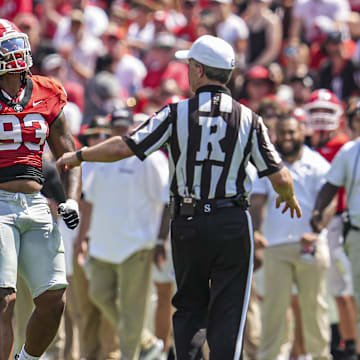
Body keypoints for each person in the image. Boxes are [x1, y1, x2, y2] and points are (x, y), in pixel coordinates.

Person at [56, 34, 302, 359]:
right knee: (229, 312)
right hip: (232, 221)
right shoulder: (249, 118)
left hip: (189, 220)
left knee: (189, 309)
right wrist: (288, 194)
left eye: (189, 66)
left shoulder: (176, 113)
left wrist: (82, 154)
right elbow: (280, 175)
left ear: (199, 70)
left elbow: (127, 145)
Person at [0, 19, 81, 360]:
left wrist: (72, 197)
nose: (14, 54)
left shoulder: (48, 90)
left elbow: (69, 153)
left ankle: (27, 358)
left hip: (35, 201)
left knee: (53, 299)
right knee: (4, 298)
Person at [81, 108, 168, 360]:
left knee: (132, 312)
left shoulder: (150, 158)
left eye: (124, 128)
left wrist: (160, 241)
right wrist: (86, 239)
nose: (120, 133)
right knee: (98, 294)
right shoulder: (102, 158)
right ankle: (148, 343)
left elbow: (165, 201)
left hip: (137, 245)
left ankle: (134, 352)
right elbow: (92, 201)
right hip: (102, 245)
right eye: (116, 129)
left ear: (134, 127)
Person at [250, 115, 332, 360]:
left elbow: (328, 201)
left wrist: (316, 231)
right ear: (275, 136)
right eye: (283, 133)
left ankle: (320, 356)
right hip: (275, 245)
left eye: (292, 132)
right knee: (274, 308)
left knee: (314, 306)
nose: (287, 138)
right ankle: (269, 357)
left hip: (311, 244)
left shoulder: (318, 163)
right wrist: (255, 230)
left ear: (302, 132)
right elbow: (256, 201)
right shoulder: (267, 163)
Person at [311, 99, 360, 359]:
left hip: (347, 226)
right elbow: (329, 187)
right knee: (349, 292)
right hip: (351, 228)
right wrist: (319, 213)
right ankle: (352, 345)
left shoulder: (344, 146)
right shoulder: (349, 150)